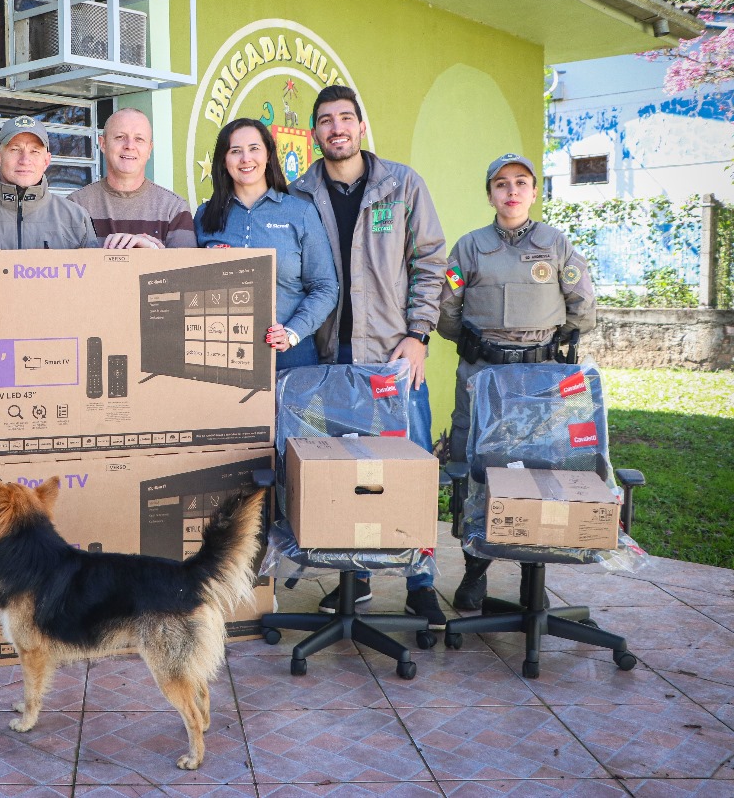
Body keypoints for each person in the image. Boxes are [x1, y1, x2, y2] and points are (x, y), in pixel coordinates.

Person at [289, 85, 449, 628]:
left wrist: (419, 334)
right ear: (314, 132)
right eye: (326, 120)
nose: (337, 128)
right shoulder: (298, 194)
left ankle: (420, 583)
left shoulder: (402, 186)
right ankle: (351, 580)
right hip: (329, 359)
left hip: (392, 358)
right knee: (342, 475)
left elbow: (432, 262)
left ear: (361, 126)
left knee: (411, 471)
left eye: (345, 118)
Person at [437, 153, 596, 611]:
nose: (511, 191)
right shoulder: (468, 247)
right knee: (476, 469)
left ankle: (533, 573)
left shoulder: (556, 244)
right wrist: (480, 344)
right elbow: (448, 310)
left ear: (533, 191)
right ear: (490, 193)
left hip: (539, 380)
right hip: (482, 377)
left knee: (540, 470)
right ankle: (475, 571)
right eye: (501, 184)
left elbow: (582, 303)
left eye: (521, 183)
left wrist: (548, 342)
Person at [194, 118, 338, 370]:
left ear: (268, 154)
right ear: (224, 160)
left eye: (254, 148)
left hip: (290, 355)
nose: (245, 159)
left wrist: (293, 331)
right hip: (223, 354)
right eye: (235, 151)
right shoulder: (205, 216)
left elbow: (325, 287)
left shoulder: (300, 213)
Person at [0, 115, 98, 250]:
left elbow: (92, 282)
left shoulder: (76, 218)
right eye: (15, 149)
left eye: (34, 151)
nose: (25, 160)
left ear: (46, 160)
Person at [68, 108, 197, 249]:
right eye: (120, 137)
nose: (129, 146)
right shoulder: (75, 206)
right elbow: (64, 268)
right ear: (103, 143)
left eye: (139, 139)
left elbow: (186, 270)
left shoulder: (174, 209)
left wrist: (153, 252)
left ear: (149, 149)